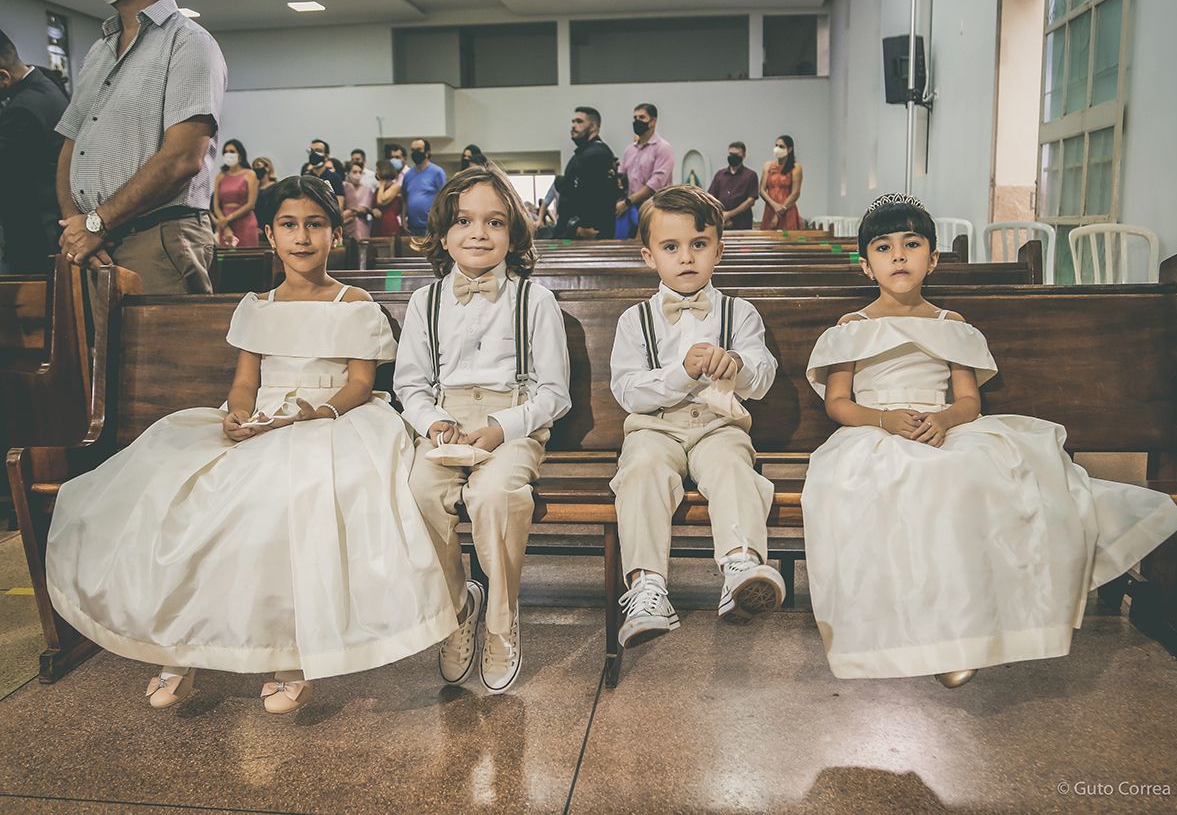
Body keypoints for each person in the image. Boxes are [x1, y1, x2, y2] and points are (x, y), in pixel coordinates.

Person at [44, 175, 458, 712]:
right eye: (289, 225)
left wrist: (319, 413)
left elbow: (360, 383)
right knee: (185, 496)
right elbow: (244, 383)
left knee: (287, 498)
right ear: (269, 235)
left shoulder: (353, 302)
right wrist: (237, 414)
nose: (302, 237)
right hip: (265, 418)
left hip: (332, 419)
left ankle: (291, 654)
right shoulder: (258, 305)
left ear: (335, 234)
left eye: (315, 225)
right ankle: (179, 646)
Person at [802, 194, 1177, 688]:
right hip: (875, 430)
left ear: (932, 259)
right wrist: (883, 419)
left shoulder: (951, 325)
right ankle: (921, 632)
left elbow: (969, 402)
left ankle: (967, 635)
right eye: (883, 247)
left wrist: (943, 419)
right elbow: (838, 403)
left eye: (911, 244)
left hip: (941, 426)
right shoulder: (851, 328)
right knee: (896, 484)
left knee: (975, 478)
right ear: (865, 265)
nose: (898, 256)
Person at [394, 163, 571, 694]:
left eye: (494, 222)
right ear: (443, 233)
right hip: (445, 424)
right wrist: (434, 421)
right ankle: (456, 608)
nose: (478, 233)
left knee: (496, 497)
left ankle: (501, 616)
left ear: (513, 234)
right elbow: (410, 385)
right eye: (463, 221)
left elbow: (553, 393)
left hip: (512, 423)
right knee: (418, 495)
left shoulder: (534, 300)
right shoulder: (425, 302)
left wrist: (501, 426)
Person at [609, 184, 783, 647]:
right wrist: (680, 374)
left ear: (718, 251)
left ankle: (741, 567)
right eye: (671, 247)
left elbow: (763, 376)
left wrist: (739, 366)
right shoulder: (634, 320)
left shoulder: (739, 313)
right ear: (649, 257)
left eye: (698, 244)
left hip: (718, 425)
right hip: (654, 427)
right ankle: (647, 587)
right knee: (640, 471)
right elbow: (626, 391)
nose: (686, 257)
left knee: (733, 468)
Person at [55, 0, 227, 295]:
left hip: (156, 236)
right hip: (93, 245)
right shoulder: (100, 49)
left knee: (164, 330)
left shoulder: (189, 41)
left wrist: (97, 223)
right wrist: (76, 226)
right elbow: (72, 144)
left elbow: (183, 158)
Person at [0, 28, 70, 274]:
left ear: (3, 77)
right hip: (51, 224)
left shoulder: (22, 111)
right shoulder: (45, 87)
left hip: (36, 233)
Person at [554, 107, 617, 240]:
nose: (573, 126)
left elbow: (597, 197)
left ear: (593, 126)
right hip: (570, 234)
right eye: (573, 122)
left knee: (554, 248)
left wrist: (578, 228)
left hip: (586, 235)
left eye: (579, 121)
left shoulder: (596, 154)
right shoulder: (581, 154)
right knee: (551, 246)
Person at [616, 103, 673, 230]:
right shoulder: (630, 149)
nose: (637, 121)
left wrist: (628, 202)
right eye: (635, 118)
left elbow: (655, 183)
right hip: (631, 209)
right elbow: (621, 175)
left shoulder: (663, 148)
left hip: (655, 209)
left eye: (642, 117)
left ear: (653, 121)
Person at [211, 139, 259, 248]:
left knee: (247, 255)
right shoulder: (220, 176)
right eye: (226, 152)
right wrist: (224, 224)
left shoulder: (250, 174)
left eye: (232, 151)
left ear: (240, 154)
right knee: (227, 255)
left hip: (244, 221)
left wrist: (228, 218)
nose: (228, 154)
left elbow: (251, 204)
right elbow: (216, 205)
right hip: (225, 225)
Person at [400, 138, 446, 237]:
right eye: (413, 150)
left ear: (427, 152)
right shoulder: (408, 175)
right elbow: (404, 199)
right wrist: (403, 220)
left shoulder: (437, 172)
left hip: (431, 225)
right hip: (412, 226)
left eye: (419, 149)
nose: (415, 153)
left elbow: (444, 197)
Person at [708, 141, 758, 231]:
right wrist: (721, 215)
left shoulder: (750, 175)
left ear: (744, 156)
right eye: (731, 154)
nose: (733, 157)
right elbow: (711, 197)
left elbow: (750, 201)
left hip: (742, 222)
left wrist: (729, 214)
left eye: (736, 154)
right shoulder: (720, 174)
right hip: (721, 221)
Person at [759, 135, 802, 230]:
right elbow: (762, 190)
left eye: (781, 146)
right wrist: (774, 205)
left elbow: (795, 193)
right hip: (770, 208)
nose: (777, 149)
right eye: (776, 145)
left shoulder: (795, 168)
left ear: (789, 149)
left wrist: (778, 212)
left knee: (787, 237)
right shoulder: (768, 166)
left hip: (787, 209)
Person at [304, 138, 344, 210]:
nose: (314, 154)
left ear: (326, 156)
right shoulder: (305, 177)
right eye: (311, 151)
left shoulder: (335, 177)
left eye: (318, 151)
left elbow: (339, 205)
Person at [342, 160, 374, 240]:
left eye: (360, 172)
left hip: (362, 226)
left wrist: (350, 210)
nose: (358, 175)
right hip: (347, 226)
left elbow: (364, 209)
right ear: (347, 173)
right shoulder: (344, 188)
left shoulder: (366, 189)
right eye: (354, 172)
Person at [250, 156, 277, 240]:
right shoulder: (254, 188)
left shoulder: (276, 187)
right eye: (254, 167)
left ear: (267, 168)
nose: (255, 169)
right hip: (254, 227)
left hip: (270, 227)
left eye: (258, 165)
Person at [373, 161, 402, 237]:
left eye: (377, 170)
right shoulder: (378, 190)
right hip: (377, 224)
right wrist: (374, 210)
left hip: (389, 223)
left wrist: (382, 183)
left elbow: (381, 200)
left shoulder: (395, 187)